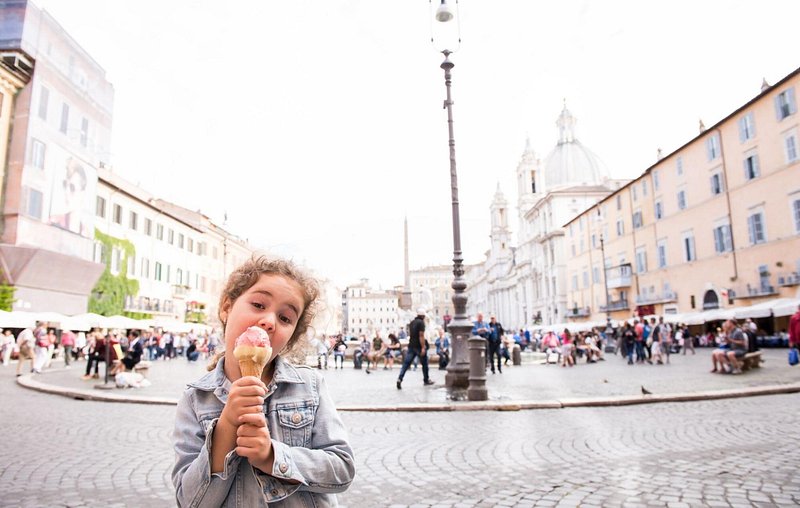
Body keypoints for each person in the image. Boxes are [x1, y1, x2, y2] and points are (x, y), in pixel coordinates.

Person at [172, 255, 354, 506]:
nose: (269, 321)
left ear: (290, 338)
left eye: (285, 318)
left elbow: (342, 469)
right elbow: (189, 501)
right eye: (258, 304)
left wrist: (272, 457)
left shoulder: (310, 386)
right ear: (227, 307)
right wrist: (226, 426)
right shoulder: (195, 399)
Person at [396, 308, 435, 389]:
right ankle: (426, 380)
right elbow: (421, 335)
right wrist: (423, 347)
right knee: (424, 364)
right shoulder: (421, 323)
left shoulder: (412, 323)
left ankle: (400, 378)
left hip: (411, 346)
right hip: (419, 347)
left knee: (406, 364)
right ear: (423, 316)